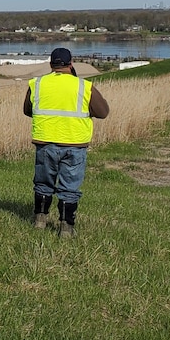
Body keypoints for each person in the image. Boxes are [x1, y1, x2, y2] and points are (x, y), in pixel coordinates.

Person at [23, 48, 110, 238]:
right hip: (74, 143)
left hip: (45, 141)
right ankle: (66, 228)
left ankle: (40, 220)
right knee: (69, 186)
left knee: (43, 183)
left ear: (51, 65)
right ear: (71, 63)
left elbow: (28, 110)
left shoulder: (37, 84)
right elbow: (103, 112)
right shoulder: (84, 86)